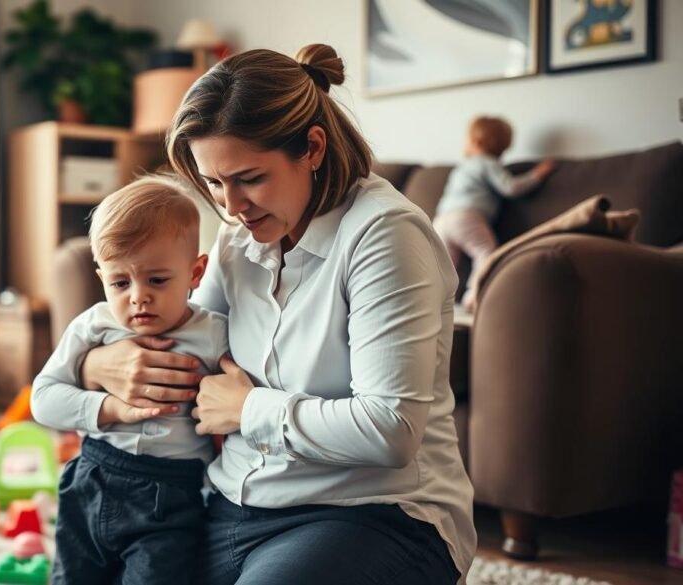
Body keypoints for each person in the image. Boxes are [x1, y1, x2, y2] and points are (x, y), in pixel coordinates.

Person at [78, 43, 476, 584]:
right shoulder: (238, 240)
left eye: (249, 178)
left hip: (373, 513)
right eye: (214, 183)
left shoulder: (385, 235)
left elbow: (390, 430)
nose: (230, 207)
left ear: (311, 148)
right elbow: (181, 345)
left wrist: (249, 409)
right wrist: (97, 366)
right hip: (233, 503)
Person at [31, 175, 230, 585]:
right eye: (120, 282)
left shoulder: (214, 334)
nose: (138, 296)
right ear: (101, 275)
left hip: (170, 495)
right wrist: (109, 408)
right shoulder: (94, 324)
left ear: (196, 272)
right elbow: (44, 398)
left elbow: (238, 392)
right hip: (92, 478)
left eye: (157, 280)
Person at [433, 115, 555, 306]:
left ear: (475, 141)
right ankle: (474, 296)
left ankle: (435, 300)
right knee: (485, 252)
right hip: (466, 216)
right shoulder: (489, 164)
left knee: (444, 264)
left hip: (441, 219)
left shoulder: (462, 168)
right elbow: (510, 187)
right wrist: (536, 175)